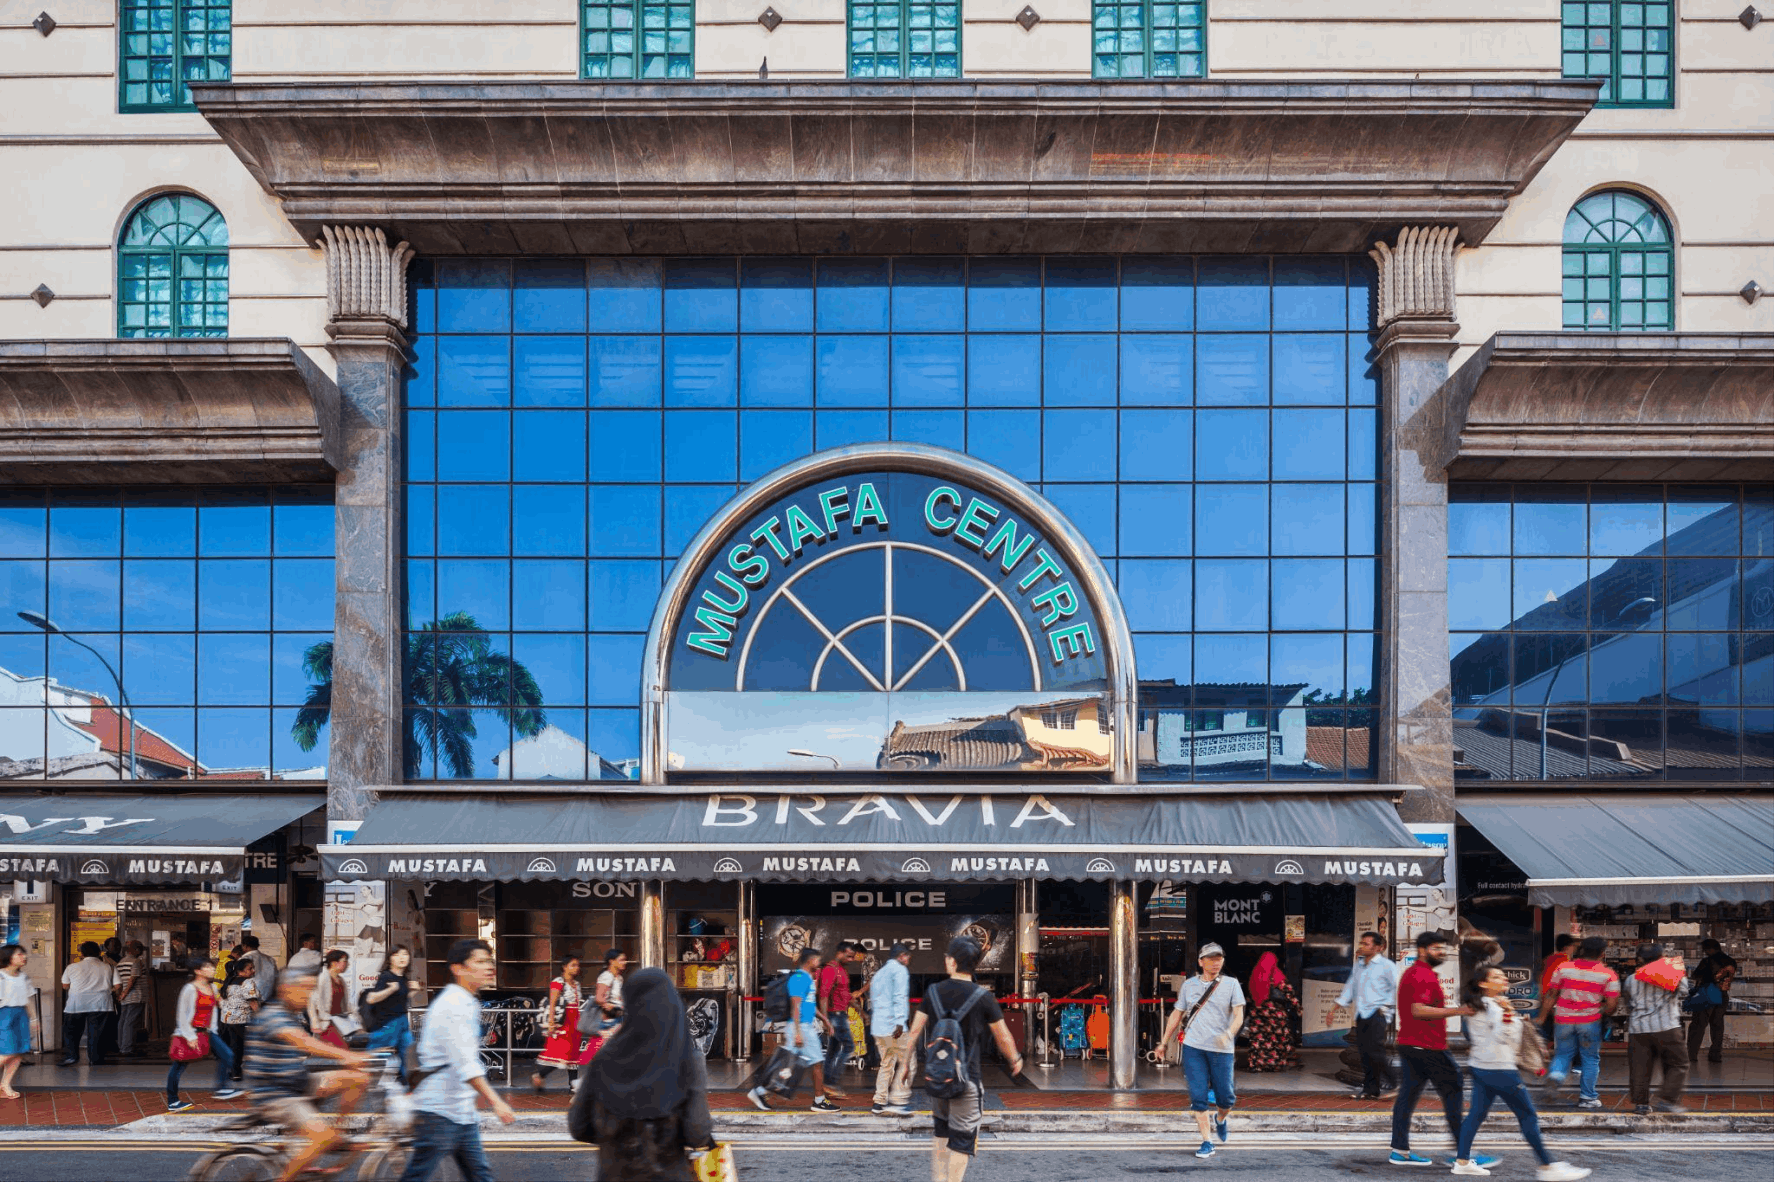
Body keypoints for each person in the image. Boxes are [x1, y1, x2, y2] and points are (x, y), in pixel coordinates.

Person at [569, 967, 715, 1181]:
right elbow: (697, 1131)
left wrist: (615, 1138)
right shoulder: (688, 1060)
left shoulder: (605, 1058)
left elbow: (578, 1126)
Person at [896, 937, 1023, 1182]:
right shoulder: (983, 997)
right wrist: (1015, 1059)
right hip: (968, 1081)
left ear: (952, 962)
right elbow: (1003, 1036)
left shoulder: (933, 992)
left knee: (942, 1133)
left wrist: (904, 1065)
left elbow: (913, 1033)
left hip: (938, 1078)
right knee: (962, 1140)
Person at [1450, 966, 1591, 1181]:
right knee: (1527, 1116)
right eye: (1496, 976)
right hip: (1501, 1070)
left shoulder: (1477, 1005)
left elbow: (1473, 1035)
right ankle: (1547, 1166)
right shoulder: (1495, 1007)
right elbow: (1502, 1035)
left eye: (1502, 975)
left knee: (1476, 1115)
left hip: (1481, 1067)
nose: (1503, 978)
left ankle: (1462, 1162)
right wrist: (1508, 1014)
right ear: (1483, 984)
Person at [400, 939, 516, 1182]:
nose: (488, 966)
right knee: (417, 1176)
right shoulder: (453, 1005)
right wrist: (496, 1101)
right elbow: (465, 1063)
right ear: (458, 968)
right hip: (439, 1110)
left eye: (489, 960)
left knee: (480, 1176)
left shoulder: (467, 1001)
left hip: (461, 1111)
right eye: (480, 961)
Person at [244, 966, 374, 1182]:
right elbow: (304, 1043)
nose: (308, 995)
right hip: (276, 1095)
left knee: (358, 1079)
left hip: (298, 1083)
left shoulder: (290, 1014)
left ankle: (336, 1134)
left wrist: (357, 1059)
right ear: (286, 989)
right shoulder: (272, 1015)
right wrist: (347, 1056)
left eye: (311, 989)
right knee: (322, 1137)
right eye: (304, 989)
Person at [1388, 931, 1479, 1168]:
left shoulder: (1417, 972)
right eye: (1437, 948)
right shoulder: (1421, 975)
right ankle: (1463, 1154)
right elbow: (1419, 1010)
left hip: (1412, 1043)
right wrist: (1458, 1011)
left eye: (1443, 949)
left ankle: (1399, 1150)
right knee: (1453, 1089)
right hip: (1426, 1045)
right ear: (1423, 950)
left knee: (1407, 1097)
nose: (1442, 952)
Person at [1158, 942, 1245, 1160]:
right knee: (1198, 1097)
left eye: (1219, 958)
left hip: (1222, 1050)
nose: (1216, 962)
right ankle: (1207, 1141)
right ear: (1201, 962)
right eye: (1211, 958)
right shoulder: (1189, 985)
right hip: (1193, 1047)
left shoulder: (1232, 984)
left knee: (1226, 1099)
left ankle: (1221, 1119)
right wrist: (1163, 1042)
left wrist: (1228, 1034)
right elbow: (1177, 1015)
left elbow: (1239, 1015)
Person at [747, 946, 835, 1112]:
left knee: (788, 1065)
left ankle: (760, 1092)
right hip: (800, 1027)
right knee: (815, 1063)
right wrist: (798, 1032)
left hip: (802, 1027)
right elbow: (795, 1005)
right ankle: (819, 1101)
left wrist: (825, 1020)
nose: (819, 962)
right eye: (817, 959)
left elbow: (809, 1005)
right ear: (809, 961)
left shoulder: (808, 979)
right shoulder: (800, 978)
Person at [1539, 936, 1619, 1110]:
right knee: (1590, 1059)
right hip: (1589, 1021)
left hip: (1563, 1019)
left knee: (1562, 1054)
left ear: (1581, 950)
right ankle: (1587, 1098)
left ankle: (1556, 1076)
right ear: (1602, 954)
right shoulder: (1608, 974)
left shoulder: (1563, 968)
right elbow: (1612, 1005)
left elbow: (1551, 994)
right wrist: (1602, 1010)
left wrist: (1543, 1017)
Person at [1624, 942, 1690, 1115]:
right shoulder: (1673, 974)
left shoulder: (1631, 979)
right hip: (1667, 1026)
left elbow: (1629, 1001)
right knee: (1678, 1063)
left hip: (1638, 1028)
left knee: (1640, 1067)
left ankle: (1641, 1104)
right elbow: (1684, 991)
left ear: (1640, 959)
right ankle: (1667, 1100)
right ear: (1662, 957)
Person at [166, 957, 241, 1111]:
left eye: (212, 967)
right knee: (179, 1065)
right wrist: (190, 1036)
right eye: (208, 967)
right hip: (189, 1032)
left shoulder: (212, 987)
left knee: (227, 1055)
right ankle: (173, 1100)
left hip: (207, 1032)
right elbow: (181, 1015)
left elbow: (218, 1006)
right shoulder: (189, 989)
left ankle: (221, 1088)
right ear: (198, 971)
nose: (212, 969)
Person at [1338, 930, 1399, 1099]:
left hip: (1377, 1013)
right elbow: (1351, 985)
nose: (1362, 946)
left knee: (1375, 1052)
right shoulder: (1360, 965)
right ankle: (1371, 1090)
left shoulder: (1387, 966)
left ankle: (1396, 1082)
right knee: (1364, 1053)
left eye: (1366, 944)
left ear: (1378, 948)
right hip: (1362, 1013)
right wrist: (1338, 1005)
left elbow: (1395, 988)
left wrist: (1385, 1007)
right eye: (1362, 943)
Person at [869, 942, 914, 1116]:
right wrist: (900, 1022)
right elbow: (899, 997)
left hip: (879, 1028)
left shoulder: (879, 974)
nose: (909, 958)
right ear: (901, 955)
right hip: (894, 1027)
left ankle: (879, 1102)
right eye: (907, 955)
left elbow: (874, 999)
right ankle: (899, 1102)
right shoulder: (900, 970)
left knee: (887, 1064)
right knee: (907, 1062)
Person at [364, 946, 418, 1086]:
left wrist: (413, 992)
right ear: (390, 959)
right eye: (397, 954)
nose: (402, 957)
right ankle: (360, 1080)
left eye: (405, 954)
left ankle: (407, 1085)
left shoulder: (403, 978)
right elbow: (371, 999)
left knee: (408, 1054)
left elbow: (399, 1001)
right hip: (387, 1023)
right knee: (375, 1055)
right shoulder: (386, 976)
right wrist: (391, 989)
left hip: (401, 1021)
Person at [531, 955, 584, 1092]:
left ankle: (573, 1085)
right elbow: (553, 1003)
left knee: (573, 1054)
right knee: (563, 1054)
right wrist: (551, 1023)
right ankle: (540, 1075)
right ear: (564, 967)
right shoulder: (558, 982)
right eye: (573, 965)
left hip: (574, 1023)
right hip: (563, 1022)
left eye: (577, 965)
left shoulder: (576, 984)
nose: (576, 968)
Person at [58, 941, 114, 1067]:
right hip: (101, 1004)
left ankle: (71, 1056)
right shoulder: (107, 967)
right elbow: (116, 984)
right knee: (97, 1033)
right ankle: (95, 1059)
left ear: (82, 954)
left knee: (71, 1031)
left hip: (76, 1004)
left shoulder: (72, 967)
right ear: (99, 952)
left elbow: (65, 986)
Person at [1244, 950, 1301, 1072]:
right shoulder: (1275, 974)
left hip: (1257, 1012)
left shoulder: (1255, 974)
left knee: (1259, 1039)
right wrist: (1298, 1007)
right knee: (1277, 1039)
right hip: (1274, 1013)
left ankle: (1256, 1065)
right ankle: (1275, 1064)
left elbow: (1250, 994)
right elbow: (1288, 991)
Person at [817, 941, 861, 1096]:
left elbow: (846, 995)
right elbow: (823, 996)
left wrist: (861, 1011)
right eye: (848, 956)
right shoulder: (831, 969)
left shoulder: (842, 970)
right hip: (835, 1015)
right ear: (840, 953)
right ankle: (830, 1083)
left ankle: (827, 1084)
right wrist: (825, 1020)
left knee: (833, 1051)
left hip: (840, 1014)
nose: (851, 960)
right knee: (849, 1047)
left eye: (852, 957)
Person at [1687, 938, 1737, 1065]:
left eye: (1705, 950)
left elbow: (1695, 975)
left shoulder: (1707, 961)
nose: (1704, 952)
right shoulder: (1731, 961)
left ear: (1710, 949)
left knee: (1698, 1025)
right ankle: (1715, 1054)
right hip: (1723, 995)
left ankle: (1692, 1054)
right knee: (1717, 1026)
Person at [217, 956, 263, 1084]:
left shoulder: (229, 982)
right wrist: (261, 1017)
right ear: (240, 971)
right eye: (250, 968)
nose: (253, 971)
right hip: (242, 1019)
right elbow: (253, 1002)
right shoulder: (248, 982)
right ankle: (259, 1072)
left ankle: (236, 1073)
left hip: (227, 1020)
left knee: (236, 1046)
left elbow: (221, 1001)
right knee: (252, 1046)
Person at [0, 944, 36, 1100]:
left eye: (24, 954)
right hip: (4, 1015)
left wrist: (34, 1018)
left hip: (21, 1014)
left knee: (19, 1052)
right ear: (8, 957)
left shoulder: (23, 977)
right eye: (19, 954)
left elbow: (28, 999)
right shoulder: (1, 976)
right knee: (8, 1051)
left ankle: (5, 1085)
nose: (24, 957)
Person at [307, 950, 359, 1048]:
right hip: (326, 1024)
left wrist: (356, 1018)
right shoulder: (322, 978)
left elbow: (346, 1004)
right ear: (334, 963)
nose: (347, 964)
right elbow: (312, 1002)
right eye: (344, 961)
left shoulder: (341, 980)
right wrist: (314, 1022)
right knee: (342, 1051)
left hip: (339, 1023)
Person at [113, 939, 149, 1058]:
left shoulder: (120, 963)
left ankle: (121, 1046)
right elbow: (132, 979)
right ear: (137, 950)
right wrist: (125, 993)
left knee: (123, 1021)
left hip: (125, 996)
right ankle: (127, 1049)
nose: (141, 953)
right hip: (135, 995)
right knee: (131, 1022)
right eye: (140, 950)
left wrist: (120, 994)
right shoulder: (136, 961)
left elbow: (119, 981)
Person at [1539, 934, 1577, 1039]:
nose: (1574, 949)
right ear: (1567, 947)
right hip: (1554, 999)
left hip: (1542, 999)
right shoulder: (1566, 961)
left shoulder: (1548, 959)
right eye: (1573, 946)